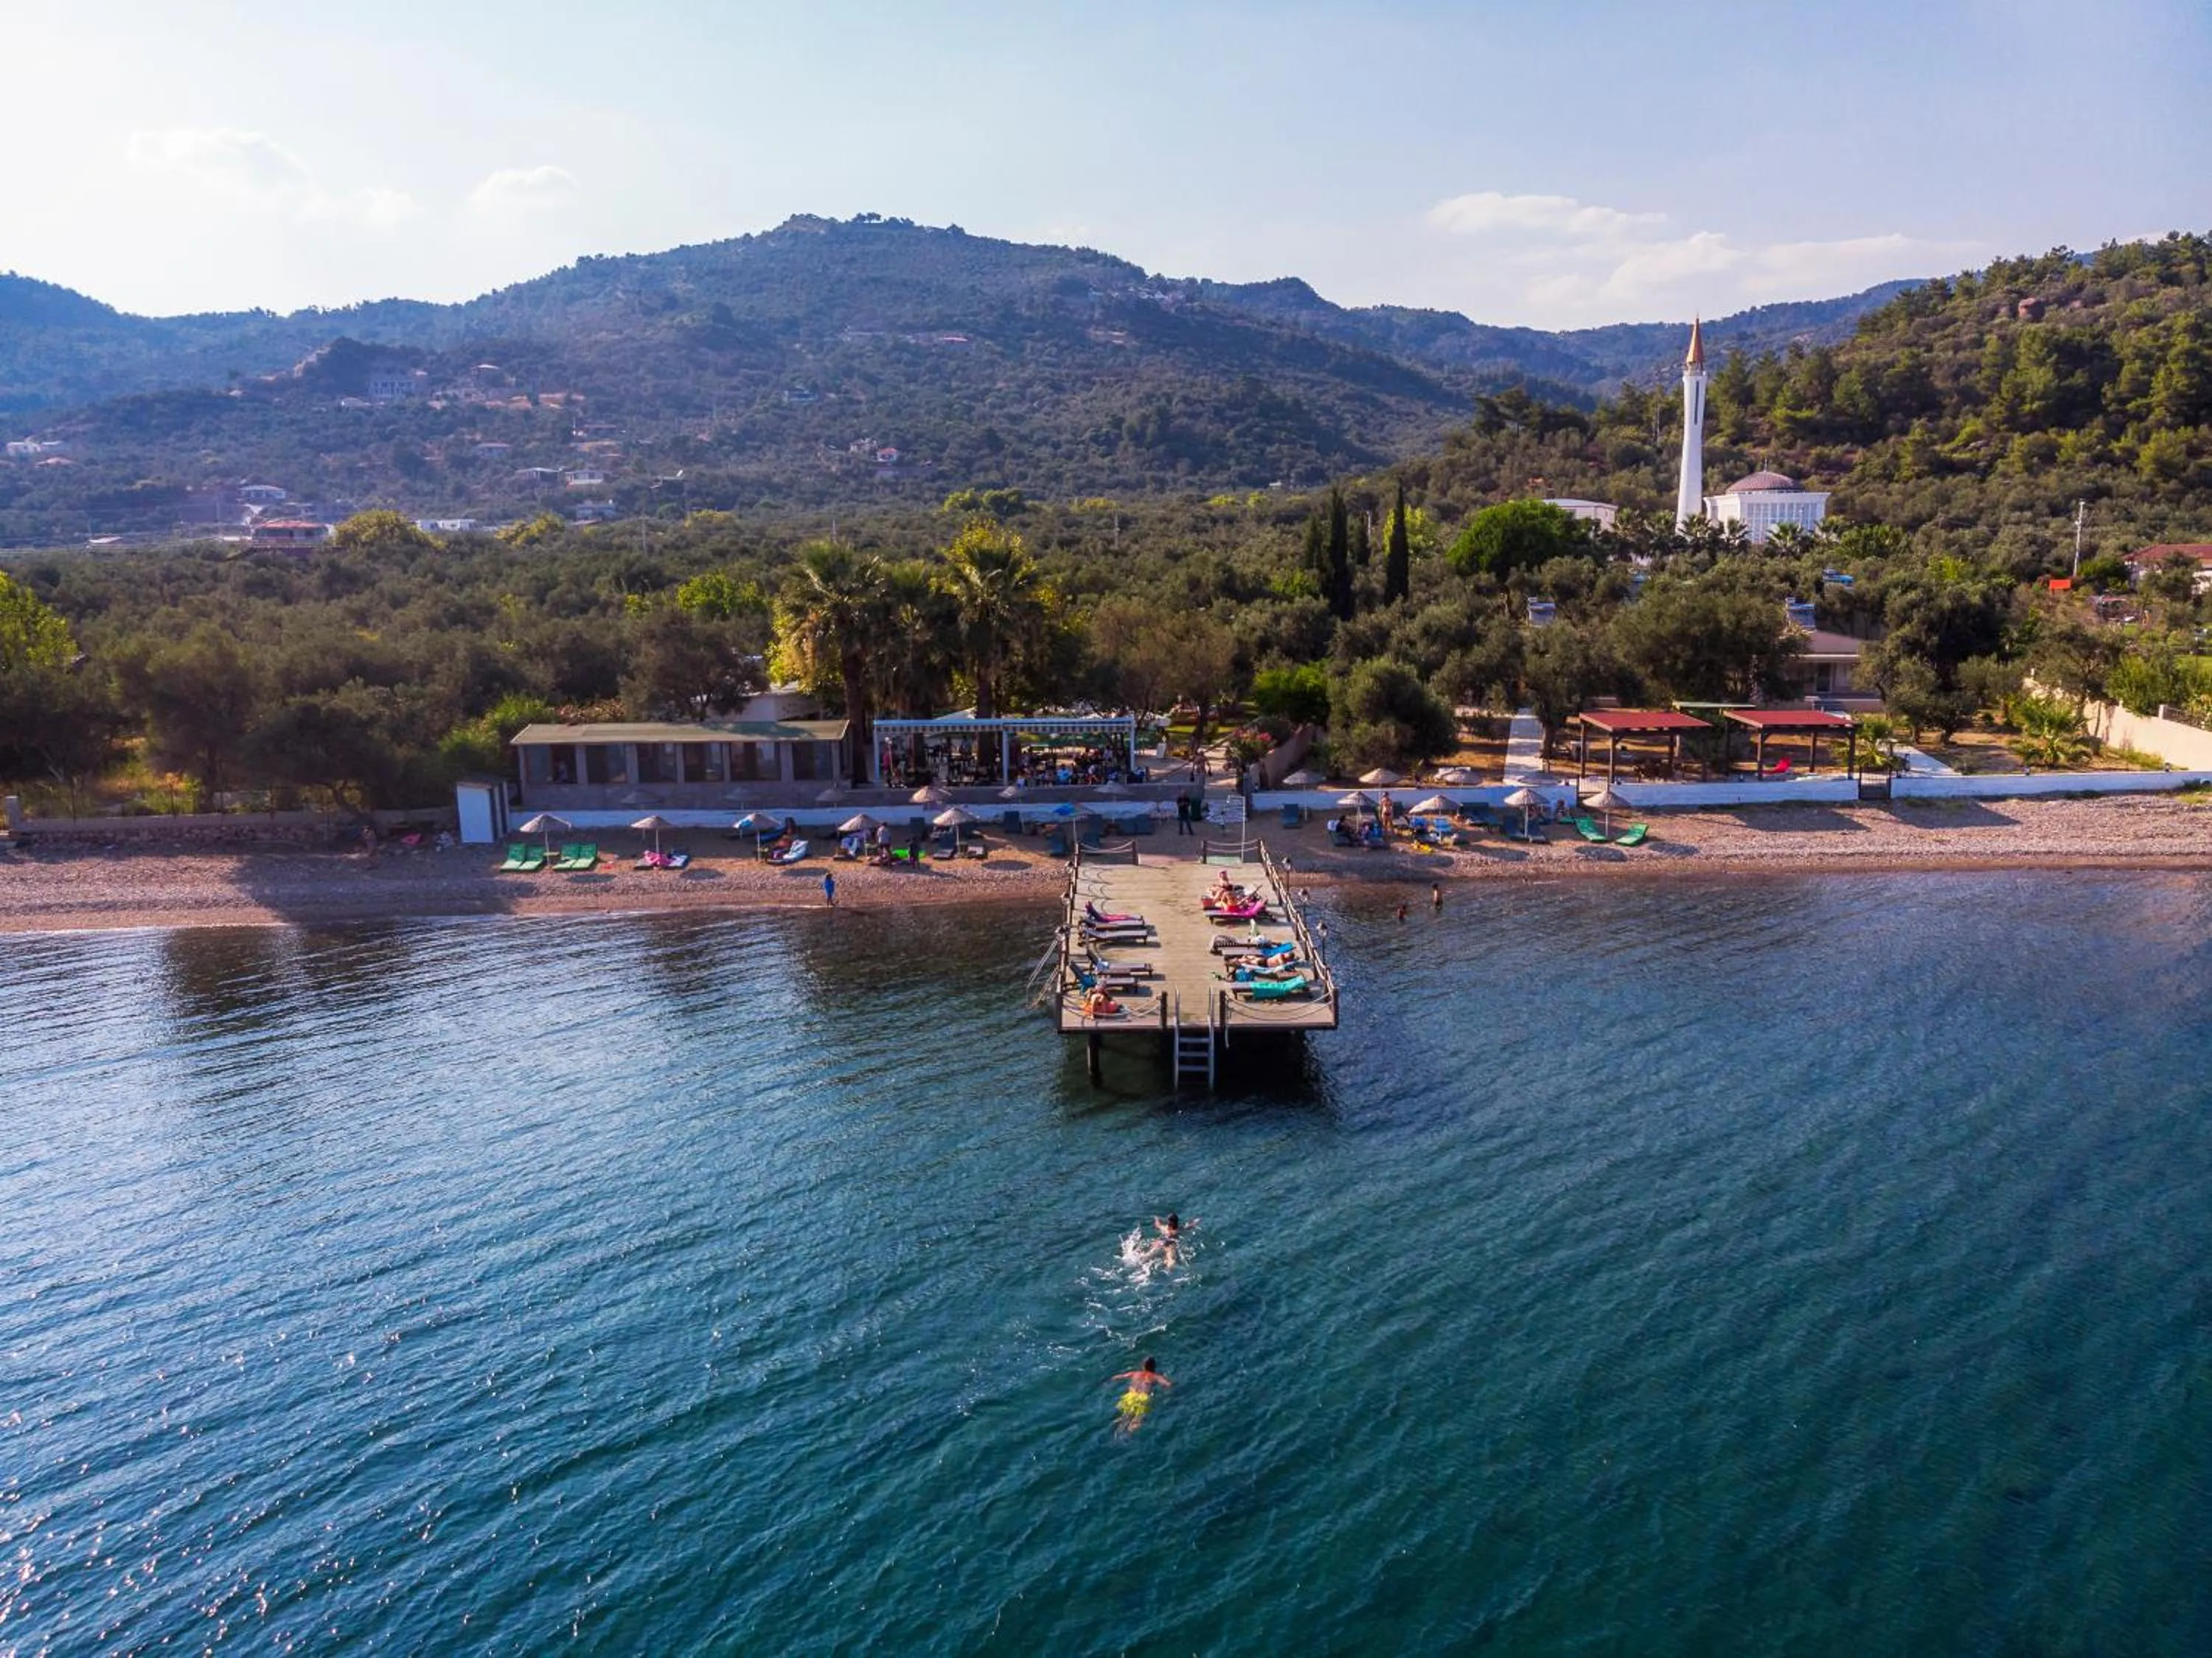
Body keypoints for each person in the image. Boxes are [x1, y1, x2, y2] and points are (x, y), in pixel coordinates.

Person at [1110, 1356, 1172, 1435]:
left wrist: (1109, 1381)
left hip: (1130, 1396)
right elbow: (1168, 1385)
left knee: (1125, 1416)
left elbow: (1118, 1377)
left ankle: (1117, 1432)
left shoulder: (1134, 1373)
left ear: (1143, 1366)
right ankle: (1127, 1437)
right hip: (1143, 1398)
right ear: (1154, 1366)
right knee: (1137, 1420)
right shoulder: (1156, 1376)